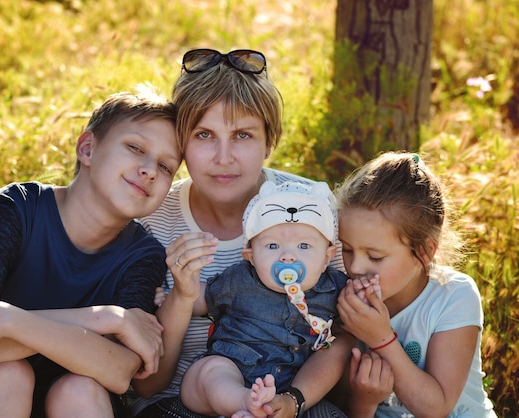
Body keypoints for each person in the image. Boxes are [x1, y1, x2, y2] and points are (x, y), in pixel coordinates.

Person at [127, 48, 351, 418]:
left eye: (243, 135)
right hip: (181, 403)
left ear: (270, 141)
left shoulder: (313, 210)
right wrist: (182, 297)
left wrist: (293, 401)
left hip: (294, 402)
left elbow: (342, 339)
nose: (224, 156)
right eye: (204, 135)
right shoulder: (152, 219)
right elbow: (147, 384)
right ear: (180, 142)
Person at [0, 85, 182, 418]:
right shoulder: (14, 209)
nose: (150, 169)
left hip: (79, 405)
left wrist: (5, 320)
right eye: (135, 147)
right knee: (7, 373)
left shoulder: (143, 254)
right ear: (88, 148)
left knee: (78, 388)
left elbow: (120, 371)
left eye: (166, 167)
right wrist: (107, 319)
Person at [334, 151, 497, 417]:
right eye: (347, 249)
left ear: (424, 252)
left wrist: (380, 338)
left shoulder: (454, 295)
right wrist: (363, 403)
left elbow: (436, 407)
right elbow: (339, 402)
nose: (355, 267)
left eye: (375, 256)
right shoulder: (341, 295)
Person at [179, 180, 349, 418]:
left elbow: (354, 318)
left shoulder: (334, 288)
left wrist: (364, 291)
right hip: (233, 368)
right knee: (210, 371)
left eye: (304, 245)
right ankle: (245, 404)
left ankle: (259, 407)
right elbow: (198, 299)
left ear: (327, 258)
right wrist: (178, 292)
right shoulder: (239, 279)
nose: (288, 256)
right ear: (250, 256)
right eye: (272, 245)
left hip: (290, 388)